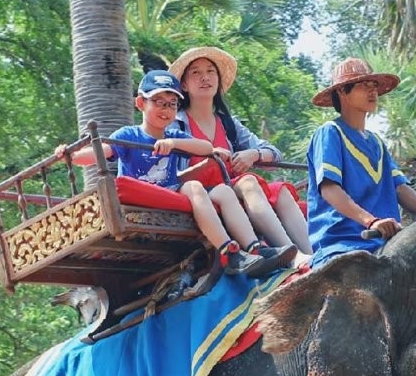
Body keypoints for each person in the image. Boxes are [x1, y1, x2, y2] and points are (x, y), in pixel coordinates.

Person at [66, 70, 293, 277]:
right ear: (140, 103)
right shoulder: (130, 134)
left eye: (172, 104)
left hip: (173, 190)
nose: (165, 110)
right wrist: (72, 156)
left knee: (223, 190)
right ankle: (229, 252)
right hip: (147, 194)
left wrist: (173, 143)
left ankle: (255, 247)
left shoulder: (174, 134)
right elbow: (102, 151)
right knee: (194, 186)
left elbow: (205, 148)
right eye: (158, 102)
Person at [168, 46, 311, 260]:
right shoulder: (175, 123)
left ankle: (313, 255)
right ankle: (290, 254)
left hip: (230, 186)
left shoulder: (228, 123)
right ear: (185, 85)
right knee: (248, 183)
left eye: (211, 71)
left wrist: (253, 154)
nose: (205, 78)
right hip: (198, 189)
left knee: (279, 191)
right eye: (195, 73)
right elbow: (168, 172)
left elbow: (273, 153)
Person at [304, 58, 416, 264]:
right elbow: (329, 189)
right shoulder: (330, 132)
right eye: (363, 85)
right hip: (342, 244)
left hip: (386, 243)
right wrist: (371, 221)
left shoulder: (377, 143)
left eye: (374, 86)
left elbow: (399, 188)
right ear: (342, 92)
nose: (373, 92)